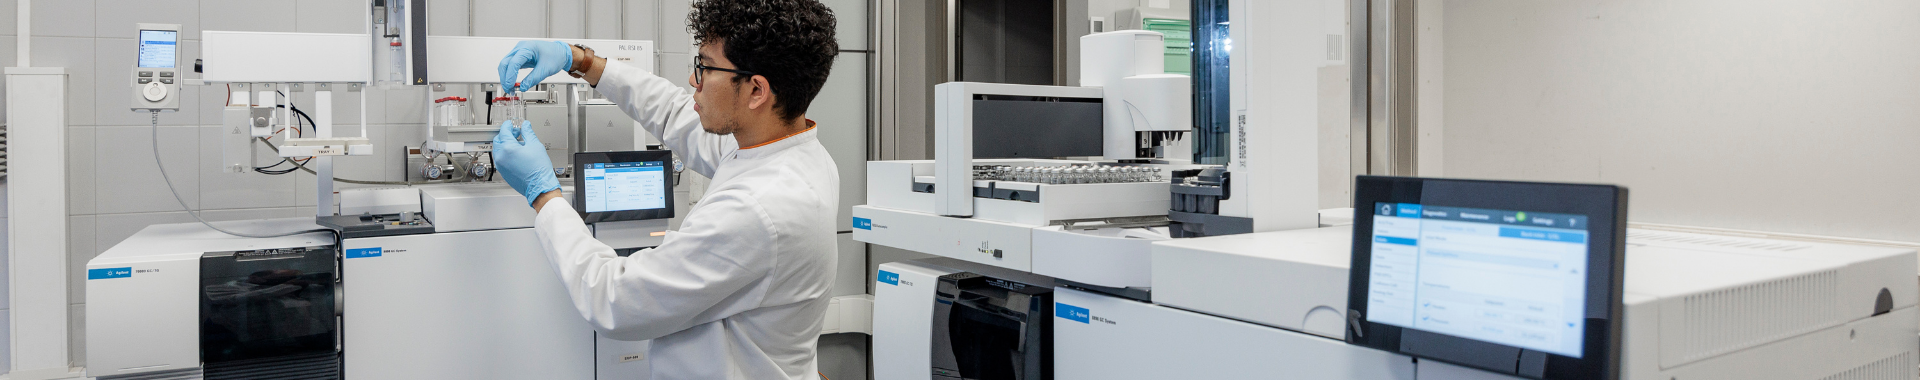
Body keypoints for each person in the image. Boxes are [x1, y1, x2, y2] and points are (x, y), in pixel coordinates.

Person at [487, 1, 840, 378]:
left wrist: (544, 195)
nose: (693, 80)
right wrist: (582, 62)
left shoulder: (757, 209)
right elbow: (674, 112)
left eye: (704, 67)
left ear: (756, 90)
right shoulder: (793, 152)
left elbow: (614, 299)